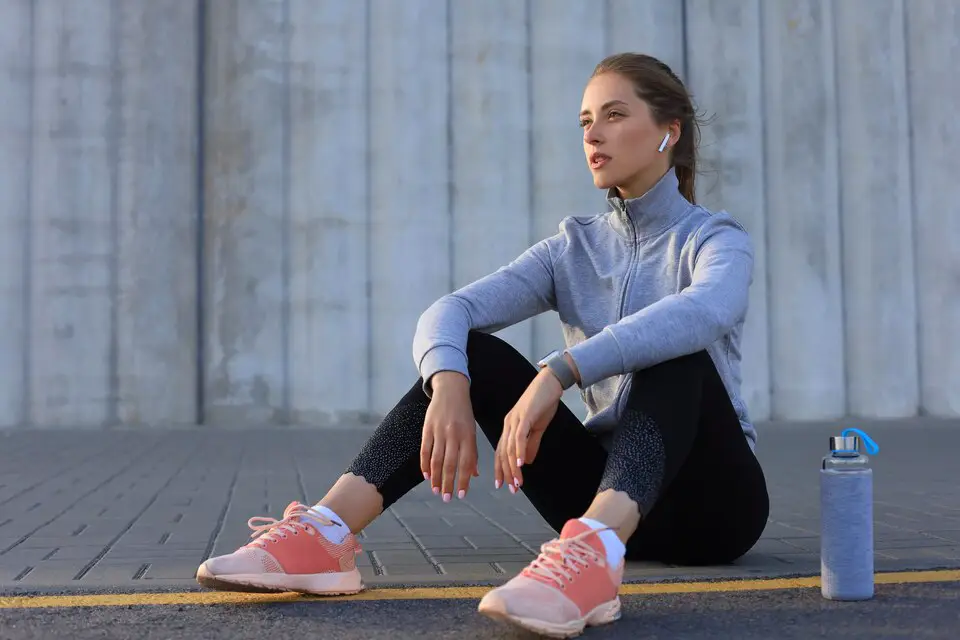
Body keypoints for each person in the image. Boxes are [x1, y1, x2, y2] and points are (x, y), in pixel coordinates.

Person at [195, 52, 770, 638]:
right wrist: (447, 383)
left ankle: (592, 556)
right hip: (600, 490)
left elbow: (703, 312)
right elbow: (450, 311)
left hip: (713, 507)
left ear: (668, 132)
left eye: (614, 115)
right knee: (472, 353)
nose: (592, 134)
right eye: (584, 121)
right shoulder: (572, 247)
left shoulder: (714, 238)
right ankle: (327, 533)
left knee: (673, 354)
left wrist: (560, 371)